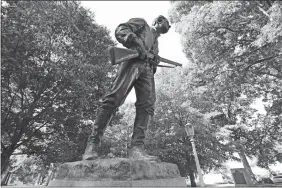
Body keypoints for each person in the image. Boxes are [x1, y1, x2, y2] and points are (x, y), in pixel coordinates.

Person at [82, 15, 171, 161]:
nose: (169, 26)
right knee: (113, 99)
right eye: (167, 22)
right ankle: (93, 144)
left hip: (147, 71)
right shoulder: (142, 23)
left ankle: (137, 148)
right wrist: (136, 41)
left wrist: (155, 59)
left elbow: (152, 60)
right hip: (132, 63)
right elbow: (121, 29)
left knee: (147, 106)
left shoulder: (157, 42)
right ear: (158, 21)